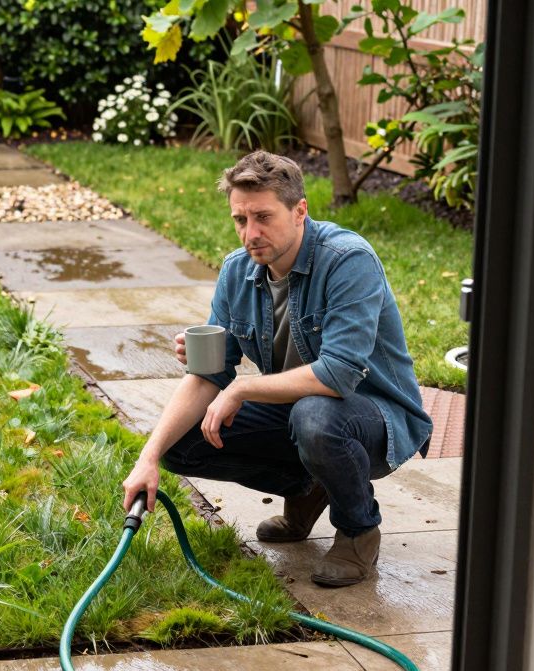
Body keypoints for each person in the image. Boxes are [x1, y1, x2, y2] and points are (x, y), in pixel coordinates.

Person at [121, 151, 432, 587]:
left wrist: (243, 389)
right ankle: (309, 488)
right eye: (240, 220)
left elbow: (340, 374)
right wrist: (148, 458)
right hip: (299, 409)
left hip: (376, 414)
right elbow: (208, 376)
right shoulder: (238, 271)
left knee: (315, 417)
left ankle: (359, 530)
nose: (251, 233)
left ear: (300, 210)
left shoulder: (347, 260)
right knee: (182, 444)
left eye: (263, 217)